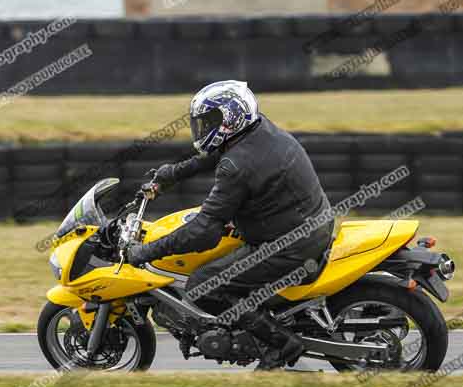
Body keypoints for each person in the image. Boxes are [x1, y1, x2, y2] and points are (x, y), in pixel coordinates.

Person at [127, 80, 333, 370]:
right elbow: (216, 156)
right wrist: (169, 174)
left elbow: (203, 232)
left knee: (203, 286)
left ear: (230, 118)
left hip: (291, 244)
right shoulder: (258, 132)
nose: (201, 128)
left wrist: (146, 252)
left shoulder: (236, 166)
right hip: (300, 224)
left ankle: (281, 344)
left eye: (209, 121)